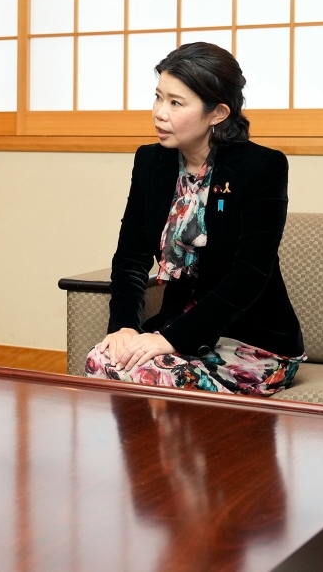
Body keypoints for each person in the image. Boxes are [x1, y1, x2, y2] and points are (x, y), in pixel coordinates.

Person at [84, 42, 305, 395]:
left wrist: (171, 340)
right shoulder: (150, 162)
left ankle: (189, 452)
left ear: (217, 113)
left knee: (150, 374)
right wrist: (125, 326)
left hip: (251, 342)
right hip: (176, 330)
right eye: (158, 97)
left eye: (175, 103)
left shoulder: (262, 167)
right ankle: (144, 453)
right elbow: (130, 257)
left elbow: (250, 274)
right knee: (102, 359)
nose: (159, 112)